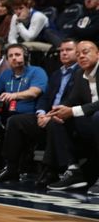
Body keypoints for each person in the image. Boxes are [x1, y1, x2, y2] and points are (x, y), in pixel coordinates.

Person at [0, 39, 79, 183]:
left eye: (68, 50)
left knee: (53, 123)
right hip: (45, 114)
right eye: (61, 50)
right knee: (14, 121)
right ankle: (11, 168)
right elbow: (45, 98)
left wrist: (50, 114)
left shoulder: (79, 72)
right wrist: (41, 113)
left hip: (65, 115)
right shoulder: (57, 74)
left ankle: (50, 170)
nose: (63, 53)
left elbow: (71, 98)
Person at [45, 41, 99, 193]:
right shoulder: (79, 73)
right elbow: (71, 100)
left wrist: (73, 111)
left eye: (86, 52)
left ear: (98, 54)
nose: (81, 56)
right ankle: (74, 170)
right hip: (92, 121)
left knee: (97, 117)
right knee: (58, 120)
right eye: (78, 54)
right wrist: (57, 111)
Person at [0, 44, 48, 118]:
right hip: (7, 114)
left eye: (17, 55)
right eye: (10, 56)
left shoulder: (37, 71)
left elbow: (34, 92)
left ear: (26, 57)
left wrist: (14, 95)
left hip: (29, 115)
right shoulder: (6, 73)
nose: (13, 58)